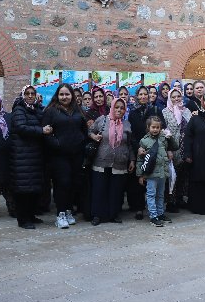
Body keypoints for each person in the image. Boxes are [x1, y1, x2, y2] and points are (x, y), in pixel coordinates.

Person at [42, 84, 87, 229]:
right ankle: (60, 214)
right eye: (61, 94)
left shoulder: (77, 110)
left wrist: (81, 142)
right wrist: (58, 144)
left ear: (72, 96)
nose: (64, 97)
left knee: (73, 183)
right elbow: (46, 134)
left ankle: (68, 211)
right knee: (62, 183)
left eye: (67, 94)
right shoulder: (50, 111)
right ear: (57, 95)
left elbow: (83, 129)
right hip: (58, 156)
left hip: (76, 155)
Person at [88, 98, 134, 225]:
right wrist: (94, 136)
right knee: (99, 189)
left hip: (120, 162)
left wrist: (132, 160)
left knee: (116, 190)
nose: (119, 110)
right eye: (117, 107)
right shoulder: (101, 120)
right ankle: (97, 215)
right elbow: (90, 131)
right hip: (101, 161)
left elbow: (129, 144)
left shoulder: (127, 124)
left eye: (122, 108)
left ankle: (113, 214)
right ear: (112, 107)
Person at [11, 86, 51, 229]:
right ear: (22, 95)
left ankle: (31, 216)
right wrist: (41, 130)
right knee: (23, 190)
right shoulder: (19, 110)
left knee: (33, 189)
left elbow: (44, 120)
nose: (29, 96)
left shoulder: (36, 109)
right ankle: (23, 220)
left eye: (32, 94)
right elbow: (21, 128)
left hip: (35, 156)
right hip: (22, 157)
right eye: (27, 94)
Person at [128, 86, 166, 220]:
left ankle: (157, 211)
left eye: (146, 94)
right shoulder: (133, 113)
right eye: (141, 94)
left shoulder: (155, 110)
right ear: (137, 96)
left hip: (155, 149)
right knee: (139, 179)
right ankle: (139, 208)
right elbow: (130, 134)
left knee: (155, 181)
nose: (143, 96)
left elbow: (163, 127)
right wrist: (137, 147)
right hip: (140, 149)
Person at [137, 116, 178, 226]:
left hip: (162, 172)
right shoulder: (144, 141)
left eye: (158, 127)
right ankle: (153, 216)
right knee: (151, 195)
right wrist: (140, 175)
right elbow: (140, 160)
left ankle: (160, 214)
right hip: (151, 174)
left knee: (160, 195)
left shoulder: (163, 138)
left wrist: (170, 137)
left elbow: (175, 146)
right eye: (153, 127)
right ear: (148, 127)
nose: (155, 129)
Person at [162, 87, 192, 212]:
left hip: (185, 148)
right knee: (171, 176)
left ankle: (180, 199)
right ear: (169, 98)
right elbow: (163, 130)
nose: (176, 99)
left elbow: (192, 127)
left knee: (183, 176)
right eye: (173, 97)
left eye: (178, 96)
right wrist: (168, 148)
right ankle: (171, 202)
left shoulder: (186, 111)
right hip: (172, 149)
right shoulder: (165, 112)